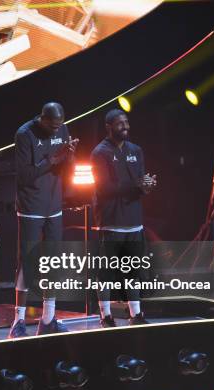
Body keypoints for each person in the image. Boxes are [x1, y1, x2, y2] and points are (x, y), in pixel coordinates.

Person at [9, 103, 78, 338]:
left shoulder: (63, 130)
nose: (57, 129)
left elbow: (67, 167)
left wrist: (69, 156)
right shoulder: (24, 134)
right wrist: (54, 159)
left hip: (54, 205)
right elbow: (26, 175)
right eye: (53, 125)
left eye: (60, 125)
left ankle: (48, 319)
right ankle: (18, 321)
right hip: (31, 206)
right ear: (43, 118)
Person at [90, 108, 157, 328]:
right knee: (107, 272)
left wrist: (146, 186)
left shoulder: (136, 150)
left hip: (134, 221)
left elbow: (140, 182)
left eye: (127, 122)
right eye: (120, 124)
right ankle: (105, 316)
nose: (125, 127)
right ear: (109, 127)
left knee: (133, 269)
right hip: (111, 221)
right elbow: (103, 188)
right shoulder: (100, 152)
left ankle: (135, 314)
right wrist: (136, 185)